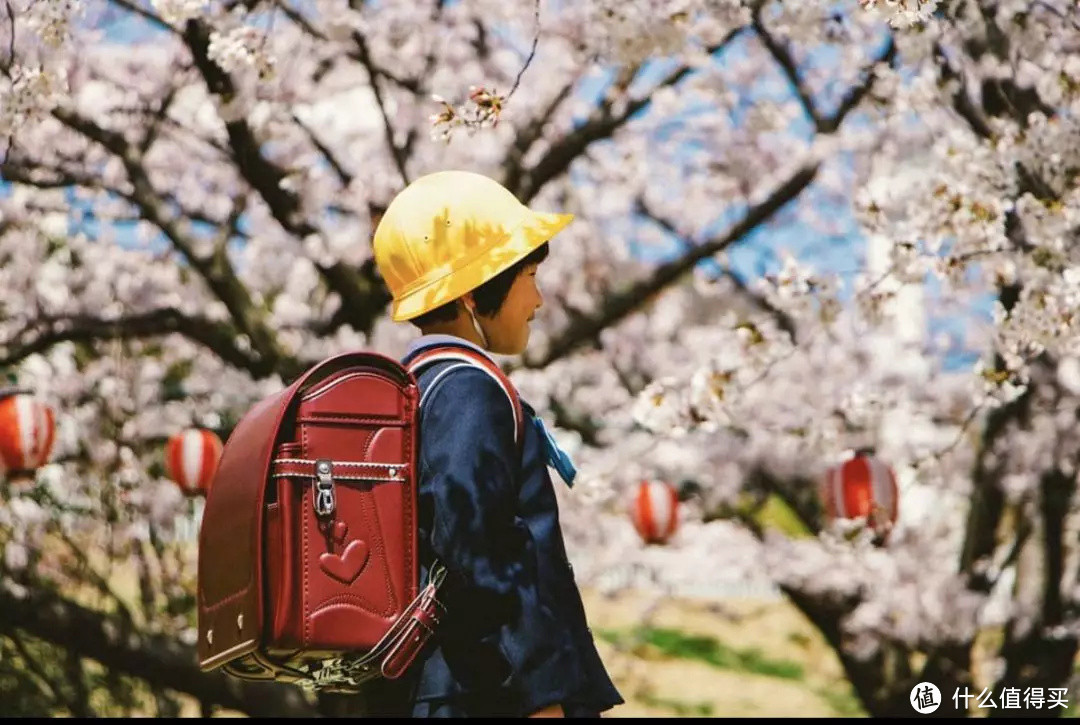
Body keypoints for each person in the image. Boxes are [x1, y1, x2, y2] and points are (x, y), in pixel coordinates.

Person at [365, 170, 624, 718]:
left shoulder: (416, 388)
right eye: (529, 275)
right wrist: (539, 699)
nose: (539, 298)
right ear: (470, 295)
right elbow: (477, 550)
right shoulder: (468, 390)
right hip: (488, 697)